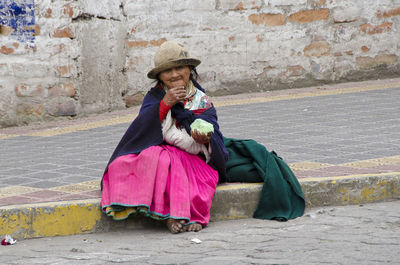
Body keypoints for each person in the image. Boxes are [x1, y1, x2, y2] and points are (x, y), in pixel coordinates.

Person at [101, 41, 228, 234]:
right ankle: (168, 215)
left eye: (180, 68)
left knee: (183, 171)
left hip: (192, 156)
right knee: (128, 164)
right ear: (160, 76)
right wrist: (164, 104)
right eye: (168, 71)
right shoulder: (155, 96)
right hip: (162, 150)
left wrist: (205, 139)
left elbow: (213, 132)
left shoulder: (200, 99)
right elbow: (140, 130)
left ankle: (192, 216)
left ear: (190, 70)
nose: (175, 74)